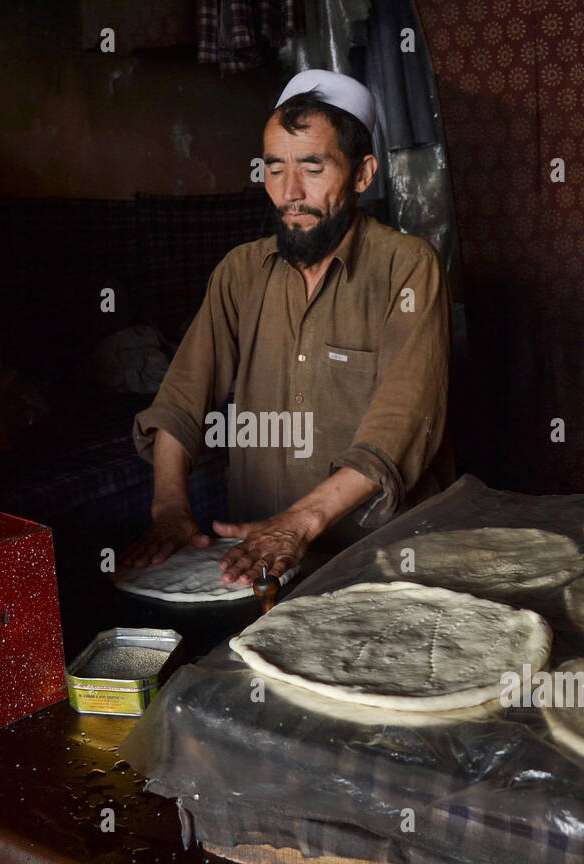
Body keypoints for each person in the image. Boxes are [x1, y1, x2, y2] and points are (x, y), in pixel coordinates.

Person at [122, 69, 453, 586]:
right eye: (275, 168)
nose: (290, 192)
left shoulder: (407, 267)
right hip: (260, 555)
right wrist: (169, 506)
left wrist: (303, 520)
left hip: (383, 557)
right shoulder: (239, 271)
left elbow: (401, 422)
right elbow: (180, 400)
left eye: (313, 168)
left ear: (364, 174)